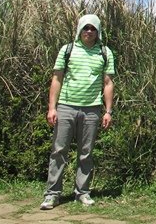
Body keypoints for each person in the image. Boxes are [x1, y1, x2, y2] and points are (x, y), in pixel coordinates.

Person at [40, 14, 115, 210]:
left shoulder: (105, 53)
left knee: (86, 152)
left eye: (93, 28)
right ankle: (52, 194)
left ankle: (82, 192)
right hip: (66, 106)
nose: (89, 31)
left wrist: (108, 111)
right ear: (79, 30)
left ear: (98, 32)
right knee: (59, 150)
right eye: (85, 28)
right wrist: (52, 107)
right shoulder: (67, 50)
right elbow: (56, 78)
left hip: (92, 109)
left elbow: (108, 83)